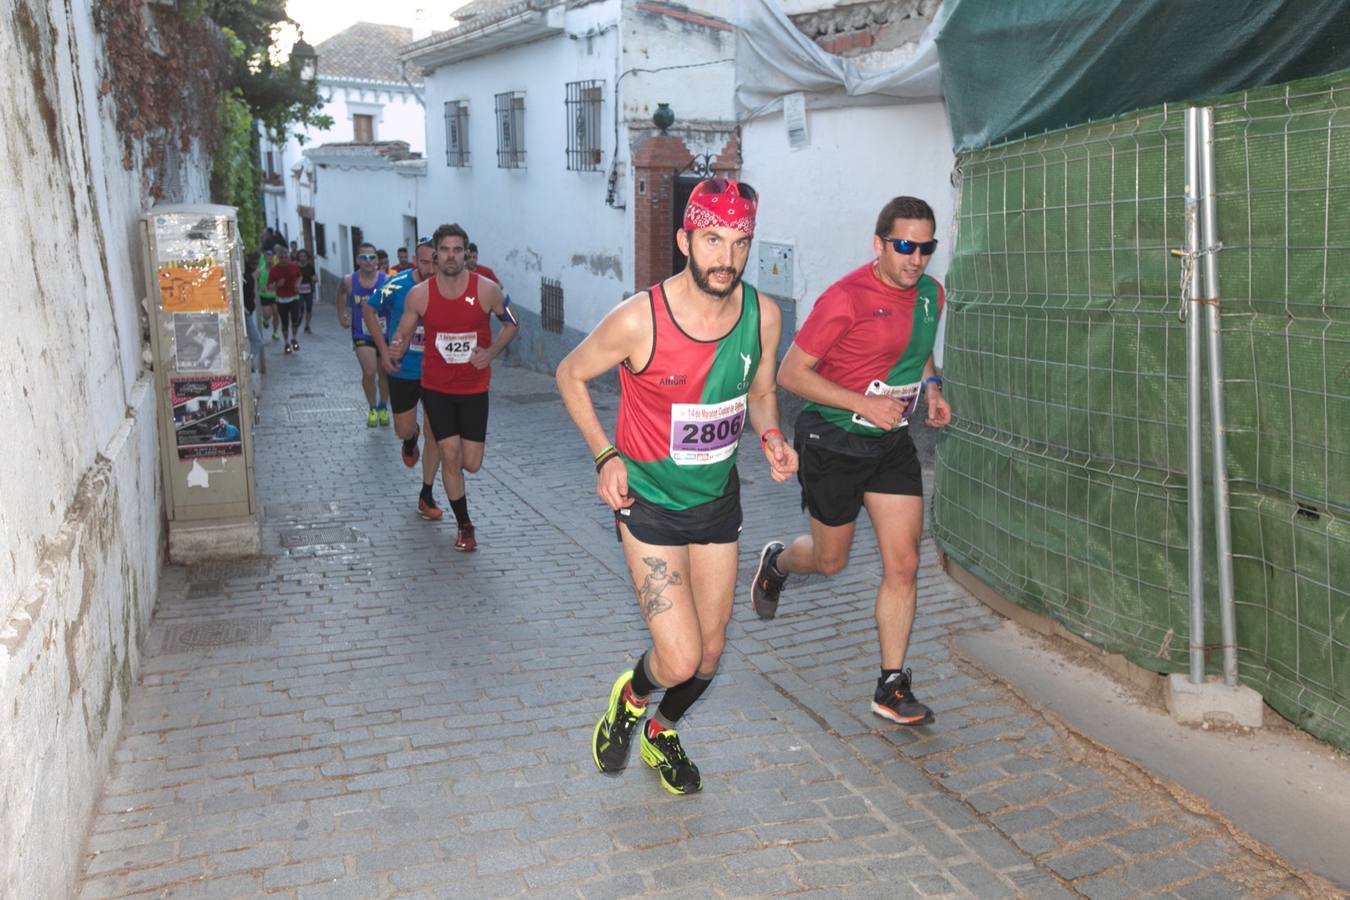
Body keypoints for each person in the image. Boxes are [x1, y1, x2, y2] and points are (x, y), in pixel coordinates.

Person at [556, 177, 797, 795]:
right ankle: (630, 697)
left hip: (717, 504)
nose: (727, 257)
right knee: (680, 657)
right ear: (684, 238)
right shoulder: (641, 318)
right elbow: (570, 373)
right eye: (713, 239)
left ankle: (662, 731)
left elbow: (763, 390)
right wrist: (605, 454)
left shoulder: (763, 314)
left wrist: (770, 437)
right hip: (650, 508)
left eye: (740, 242)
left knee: (710, 655)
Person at [751, 195, 952, 727]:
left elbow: (919, 345)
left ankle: (891, 684)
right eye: (904, 246)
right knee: (830, 560)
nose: (916, 259)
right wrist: (863, 402)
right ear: (879, 244)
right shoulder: (845, 298)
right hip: (832, 439)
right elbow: (792, 374)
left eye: (925, 247)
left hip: (889, 444)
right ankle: (778, 563)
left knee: (904, 563)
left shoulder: (932, 294)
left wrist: (931, 385)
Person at [386, 224, 518, 551]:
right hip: (436, 388)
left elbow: (511, 324)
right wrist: (396, 348)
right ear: (435, 254)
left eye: (457, 250)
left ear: (466, 254)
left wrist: (491, 352)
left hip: (474, 389)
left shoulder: (487, 290)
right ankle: (465, 525)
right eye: (444, 250)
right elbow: (403, 330)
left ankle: (453, 478)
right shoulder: (420, 295)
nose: (450, 256)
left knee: (471, 462)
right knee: (449, 452)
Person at [365, 240, 444, 520]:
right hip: (404, 370)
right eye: (423, 262)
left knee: (437, 434)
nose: (429, 269)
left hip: (437, 372)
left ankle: (427, 493)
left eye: (434, 262)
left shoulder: (447, 285)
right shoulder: (395, 284)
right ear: (414, 259)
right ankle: (411, 440)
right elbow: (370, 309)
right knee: (403, 429)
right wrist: (383, 349)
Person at [336, 242, 392, 426]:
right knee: (369, 371)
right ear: (357, 260)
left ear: (377, 260)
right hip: (362, 333)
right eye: (363, 258)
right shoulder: (349, 281)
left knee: (384, 373)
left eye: (371, 257)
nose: (368, 262)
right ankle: (372, 407)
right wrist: (342, 315)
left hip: (384, 333)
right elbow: (341, 294)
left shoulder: (387, 280)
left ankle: (384, 406)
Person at [266, 247, 304, 353]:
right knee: (285, 322)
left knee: (295, 319)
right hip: (281, 299)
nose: (284, 259)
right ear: (278, 258)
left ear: (288, 257)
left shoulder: (293, 266)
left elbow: (300, 276)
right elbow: (268, 286)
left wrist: (297, 284)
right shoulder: (274, 270)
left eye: (286, 257)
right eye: (281, 257)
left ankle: (294, 338)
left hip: (294, 297)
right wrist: (277, 284)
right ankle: (286, 342)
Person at [256, 248, 278, 341]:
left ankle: (275, 333)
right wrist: (260, 288)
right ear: (264, 258)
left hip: (275, 295)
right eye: (267, 257)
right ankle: (265, 320)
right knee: (267, 315)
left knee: (276, 314)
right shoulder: (261, 270)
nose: (269, 259)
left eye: (270, 257)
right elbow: (256, 282)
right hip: (264, 295)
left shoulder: (276, 269)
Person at [295, 248, 317, 334]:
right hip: (298, 291)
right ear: (298, 257)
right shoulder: (295, 267)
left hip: (308, 290)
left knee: (309, 308)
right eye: (301, 256)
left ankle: (307, 326)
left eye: (304, 256)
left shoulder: (310, 267)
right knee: (301, 308)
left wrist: (314, 279)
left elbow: (313, 277)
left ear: (307, 257)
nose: (302, 258)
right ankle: (298, 321)